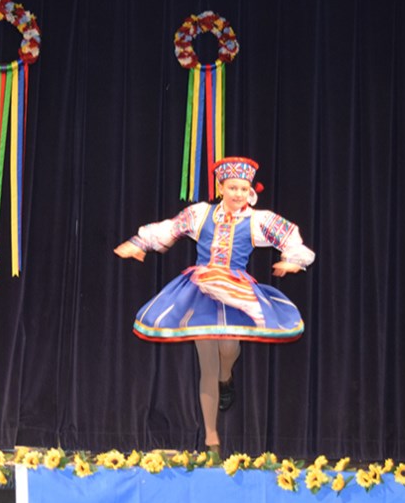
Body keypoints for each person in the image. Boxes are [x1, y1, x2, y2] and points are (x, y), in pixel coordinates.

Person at [115, 157, 315, 456]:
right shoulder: (200, 213)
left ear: (250, 191)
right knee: (206, 362)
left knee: (229, 349)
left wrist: (292, 260)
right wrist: (139, 243)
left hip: (236, 291)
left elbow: (290, 238)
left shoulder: (258, 220)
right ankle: (212, 439)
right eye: (232, 187)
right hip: (201, 289)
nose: (238, 194)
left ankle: (227, 377)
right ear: (221, 187)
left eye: (244, 189)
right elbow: (171, 228)